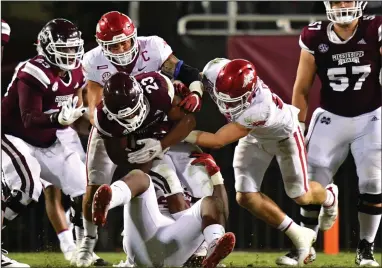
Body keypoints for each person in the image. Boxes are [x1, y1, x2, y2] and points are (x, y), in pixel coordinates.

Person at [79, 10, 205, 266]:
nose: (122, 48)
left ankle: (192, 248)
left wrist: (194, 92)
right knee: (95, 184)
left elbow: (185, 72)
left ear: (134, 36)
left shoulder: (154, 48)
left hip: (150, 123)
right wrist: (115, 126)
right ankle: (87, 244)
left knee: (170, 181)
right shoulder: (93, 61)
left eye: (125, 41)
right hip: (112, 125)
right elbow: (95, 110)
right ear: (102, 45)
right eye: (113, 45)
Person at [184, 58, 339, 265]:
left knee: (300, 195)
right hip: (254, 136)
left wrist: (177, 134)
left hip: (284, 135)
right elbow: (194, 79)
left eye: (235, 98)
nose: (227, 103)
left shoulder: (260, 107)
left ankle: (329, 196)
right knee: (245, 196)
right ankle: (299, 235)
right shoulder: (213, 70)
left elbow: (218, 140)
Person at [277, 1, 382, 266]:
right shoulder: (314, 35)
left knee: (372, 182)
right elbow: (301, 88)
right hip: (331, 116)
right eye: (337, 1)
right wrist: (297, 128)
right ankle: (305, 244)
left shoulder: (374, 28)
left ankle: (366, 247)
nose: (343, 5)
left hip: (371, 116)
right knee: (310, 182)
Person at [1, 18, 87, 264]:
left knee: (85, 189)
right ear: (48, 47)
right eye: (65, 48)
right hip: (11, 135)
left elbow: (76, 97)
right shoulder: (33, 70)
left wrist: (78, 112)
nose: (71, 54)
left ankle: (83, 251)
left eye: (73, 47)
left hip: (47, 139)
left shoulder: (78, 70)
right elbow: (29, 119)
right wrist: (59, 118)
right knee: (28, 186)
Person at [91, 163, 233, 268]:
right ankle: (109, 199)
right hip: (149, 234)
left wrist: (216, 177)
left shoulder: (192, 189)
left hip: (174, 245)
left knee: (212, 202)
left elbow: (219, 210)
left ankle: (214, 248)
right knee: (140, 176)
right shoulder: (162, 173)